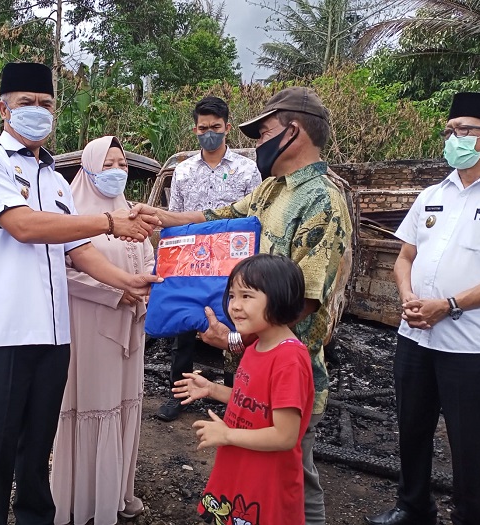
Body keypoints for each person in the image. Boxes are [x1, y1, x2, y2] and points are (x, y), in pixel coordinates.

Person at [130, 86, 353, 525]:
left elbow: (305, 299)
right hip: (251, 360)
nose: (258, 143)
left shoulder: (322, 200)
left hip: (289, 365)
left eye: (264, 131)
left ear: (292, 133)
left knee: (295, 476)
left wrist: (232, 336)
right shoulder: (273, 190)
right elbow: (217, 216)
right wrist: (158, 218)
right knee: (253, 474)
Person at [0, 63, 160, 525]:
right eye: (26, 102)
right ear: (3, 108)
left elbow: (78, 250)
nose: (37, 112)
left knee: (36, 453)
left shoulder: (54, 178)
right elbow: (23, 226)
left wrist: (125, 281)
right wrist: (110, 221)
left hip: (52, 339)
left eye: (46, 104)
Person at [365, 93, 480, 525]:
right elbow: (405, 257)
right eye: (450, 130)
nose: (455, 137)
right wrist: (407, 298)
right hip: (416, 336)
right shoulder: (431, 195)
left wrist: (449, 305)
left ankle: (472, 515)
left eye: (466, 130)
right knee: (412, 428)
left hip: (471, 347)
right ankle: (414, 506)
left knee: (470, 441)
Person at [50, 136, 154, 525]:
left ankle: (115, 495)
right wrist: (113, 292)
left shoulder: (131, 212)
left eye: (122, 165)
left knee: (123, 402)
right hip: (89, 324)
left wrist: (142, 288)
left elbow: (147, 258)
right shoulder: (72, 214)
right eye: (108, 164)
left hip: (130, 327)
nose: (117, 172)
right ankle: (80, 501)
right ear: (89, 167)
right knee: (91, 405)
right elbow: (61, 272)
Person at [174, 254, 314, 525]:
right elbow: (255, 403)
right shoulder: (258, 345)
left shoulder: (289, 360)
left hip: (266, 479)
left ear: (279, 298)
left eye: (247, 296)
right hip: (240, 465)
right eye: (232, 295)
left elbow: (285, 435)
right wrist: (213, 390)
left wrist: (227, 434)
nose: (235, 306)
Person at [158, 95, 262, 422]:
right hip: (192, 262)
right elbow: (174, 217)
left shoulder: (247, 170)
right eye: (203, 128)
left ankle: (235, 400)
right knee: (185, 330)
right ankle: (179, 396)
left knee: (234, 327)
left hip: (233, 266)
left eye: (216, 127)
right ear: (195, 130)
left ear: (227, 128)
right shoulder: (184, 171)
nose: (210, 133)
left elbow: (256, 218)